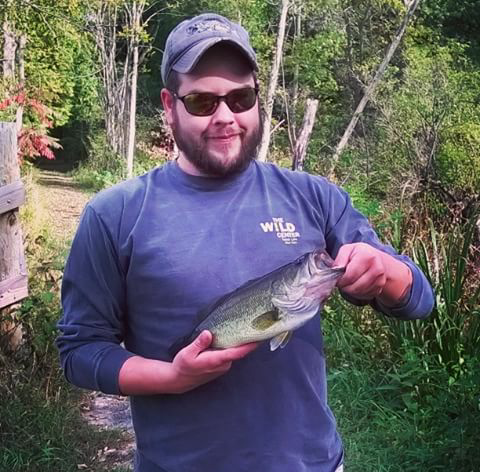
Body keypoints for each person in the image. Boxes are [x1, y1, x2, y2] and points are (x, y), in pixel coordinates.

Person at [57, 12, 434, 472]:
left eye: (240, 98)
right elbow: (80, 351)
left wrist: (384, 275)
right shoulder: (115, 214)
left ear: (258, 99)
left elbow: (419, 299)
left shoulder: (314, 197)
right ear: (168, 105)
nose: (225, 117)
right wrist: (170, 377)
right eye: (201, 102)